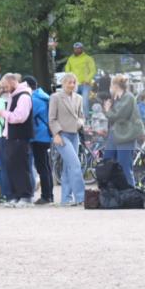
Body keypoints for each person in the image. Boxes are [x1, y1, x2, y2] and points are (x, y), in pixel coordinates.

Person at [0, 73, 34, 207]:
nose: (5, 89)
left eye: (6, 86)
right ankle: (16, 196)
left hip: (20, 136)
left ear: (12, 82)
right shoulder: (14, 95)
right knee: (12, 167)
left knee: (21, 167)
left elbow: (20, 117)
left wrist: (3, 113)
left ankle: (26, 196)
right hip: (12, 136)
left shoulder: (23, 96)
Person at [48, 73, 86, 206]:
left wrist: (80, 123)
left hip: (74, 135)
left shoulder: (79, 98)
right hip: (62, 135)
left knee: (68, 167)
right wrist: (56, 134)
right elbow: (52, 118)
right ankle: (81, 197)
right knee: (75, 165)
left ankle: (65, 199)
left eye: (74, 82)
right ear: (63, 83)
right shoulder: (56, 97)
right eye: (69, 82)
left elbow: (82, 116)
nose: (72, 85)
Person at [104, 74, 144, 187]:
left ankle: (131, 193)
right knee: (108, 162)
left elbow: (119, 116)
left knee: (125, 166)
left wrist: (107, 109)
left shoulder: (128, 97)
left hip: (126, 136)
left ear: (115, 85)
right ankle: (115, 191)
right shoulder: (119, 98)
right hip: (116, 135)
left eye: (111, 84)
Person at [24, 76, 54, 205]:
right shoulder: (44, 96)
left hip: (38, 136)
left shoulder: (34, 99)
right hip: (45, 135)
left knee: (42, 167)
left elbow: (27, 116)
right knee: (46, 166)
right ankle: (49, 195)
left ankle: (46, 196)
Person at [64, 42, 96, 113]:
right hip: (74, 84)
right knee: (74, 103)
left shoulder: (88, 58)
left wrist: (87, 79)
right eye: (75, 49)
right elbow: (67, 69)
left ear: (82, 49)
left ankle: (86, 119)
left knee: (84, 102)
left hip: (85, 84)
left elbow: (93, 70)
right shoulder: (70, 59)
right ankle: (75, 118)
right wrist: (70, 79)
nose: (76, 50)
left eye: (78, 49)